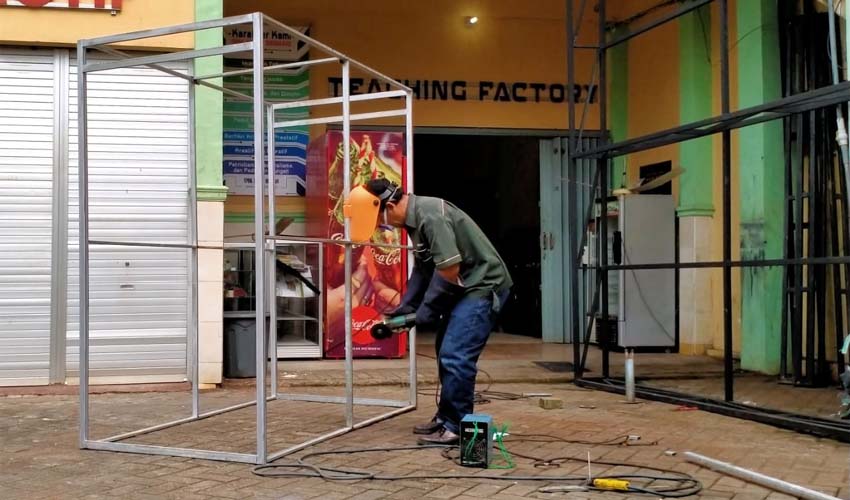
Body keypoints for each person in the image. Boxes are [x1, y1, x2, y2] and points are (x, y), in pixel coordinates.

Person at [346, 178, 512, 445]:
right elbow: (423, 270)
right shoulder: (416, 221)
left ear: (389, 205)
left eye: (380, 218)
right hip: (465, 286)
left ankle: (457, 427)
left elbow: (449, 269)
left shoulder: (431, 215)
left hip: (482, 286)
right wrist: (406, 310)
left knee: (455, 355)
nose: (381, 225)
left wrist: (426, 312)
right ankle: (447, 417)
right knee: (445, 350)